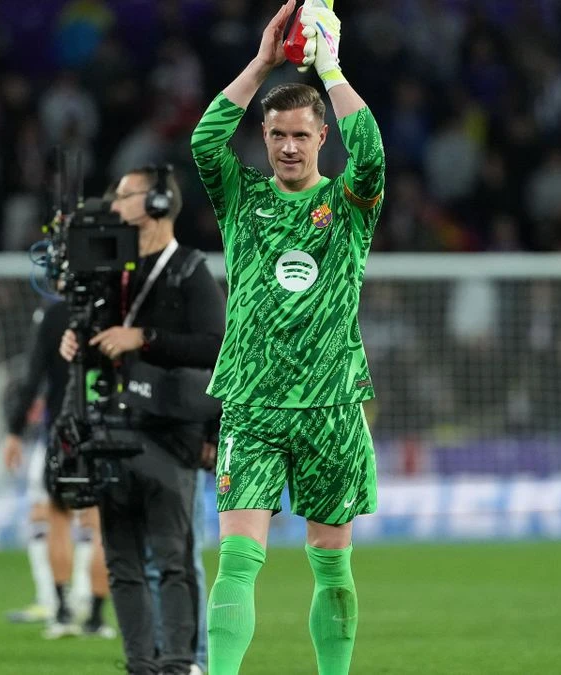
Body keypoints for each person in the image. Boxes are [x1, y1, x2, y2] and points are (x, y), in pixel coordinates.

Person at [190, 1, 385, 673]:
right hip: (252, 400)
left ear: (322, 136)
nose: (289, 147)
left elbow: (372, 152)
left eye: (301, 134)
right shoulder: (242, 199)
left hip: (332, 402)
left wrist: (330, 69)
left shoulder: (350, 204)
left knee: (331, 564)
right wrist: (261, 64)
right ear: (265, 136)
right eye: (277, 135)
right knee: (238, 559)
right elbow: (203, 143)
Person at [59, 165, 225, 675]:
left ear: (157, 204)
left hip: (172, 434)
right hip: (117, 429)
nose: (113, 204)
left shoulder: (190, 270)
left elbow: (219, 348)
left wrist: (145, 338)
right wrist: (78, 342)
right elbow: (100, 341)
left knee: (175, 559)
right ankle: (144, 664)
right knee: (126, 564)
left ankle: (187, 663)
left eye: (125, 195)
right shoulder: (116, 272)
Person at [1, 297, 114, 640]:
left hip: (63, 433)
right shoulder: (116, 309)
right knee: (100, 525)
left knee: (58, 519)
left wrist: (15, 431)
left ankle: (63, 611)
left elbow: (33, 376)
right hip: (106, 430)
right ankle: (95, 617)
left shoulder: (55, 314)